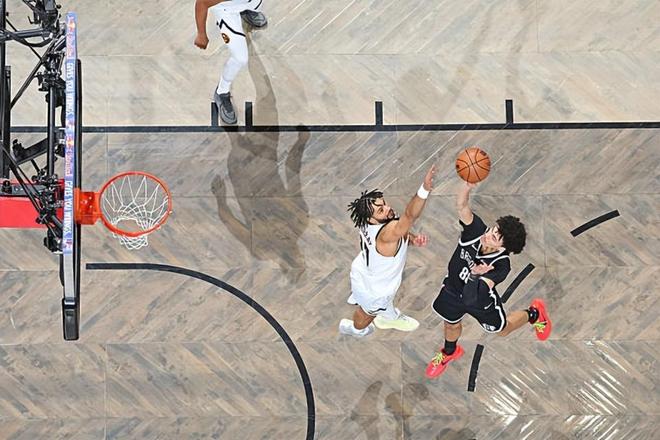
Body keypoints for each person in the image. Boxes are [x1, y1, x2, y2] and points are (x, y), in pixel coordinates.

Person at [426, 181, 552, 378]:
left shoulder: (501, 265)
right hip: (453, 289)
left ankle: (534, 314)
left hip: (479, 301)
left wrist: (475, 275)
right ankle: (450, 352)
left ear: (504, 247)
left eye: (496, 237)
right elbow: (462, 206)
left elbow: (471, 298)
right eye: (494, 229)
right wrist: (467, 186)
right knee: (450, 323)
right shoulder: (476, 231)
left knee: (502, 330)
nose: (489, 234)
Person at [339, 165, 436, 338]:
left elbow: (399, 233)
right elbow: (409, 216)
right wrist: (424, 189)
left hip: (363, 270)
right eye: (381, 210)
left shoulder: (367, 221)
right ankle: (356, 330)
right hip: (376, 290)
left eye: (383, 204)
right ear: (371, 218)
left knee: (379, 305)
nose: (387, 208)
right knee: (366, 314)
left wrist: (412, 239)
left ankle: (387, 315)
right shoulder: (386, 234)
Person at [194, 0, 267, 124]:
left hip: (247, 2)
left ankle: (247, 10)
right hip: (227, 10)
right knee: (240, 58)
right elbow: (202, 3)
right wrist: (201, 34)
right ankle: (221, 92)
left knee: (256, 4)